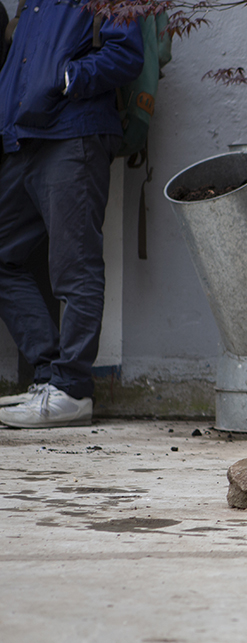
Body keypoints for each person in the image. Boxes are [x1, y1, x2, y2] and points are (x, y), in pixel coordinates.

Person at [0, 5, 144, 428]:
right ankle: (49, 377)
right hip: (23, 140)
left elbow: (126, 55)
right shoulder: (32, 4)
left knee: (74, 266)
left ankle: (73, 390)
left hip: (74, 134)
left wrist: (66, 79)